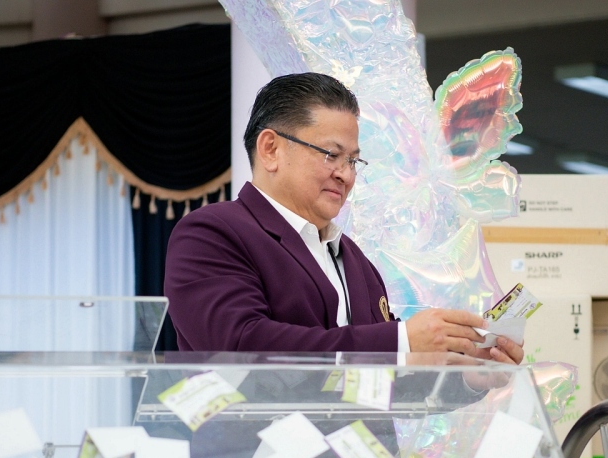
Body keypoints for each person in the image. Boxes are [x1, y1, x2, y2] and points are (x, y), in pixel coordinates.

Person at [165, 72, 523, 364]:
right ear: (270, 149)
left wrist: (470, 374)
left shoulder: (351, 256)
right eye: (331, 155)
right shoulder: (212, 234)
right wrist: (400, 340)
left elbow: (386, 387)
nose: (346, 175)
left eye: (352, 160)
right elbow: (241, 346)